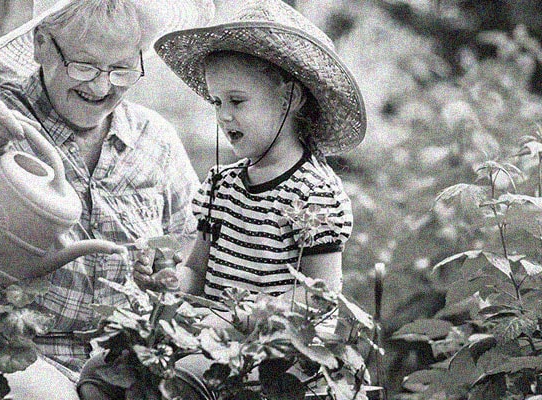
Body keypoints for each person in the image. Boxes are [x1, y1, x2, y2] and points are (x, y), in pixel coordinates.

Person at [0, 0, 214, 398]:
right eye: (84, 66)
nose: (101, 87)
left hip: (117, 367)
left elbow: (191, 253)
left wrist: (166, 271)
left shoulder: (155, 139)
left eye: (121, 69)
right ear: (42, 44)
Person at [77, 0, 367, 398]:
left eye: (237, 101)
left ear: (289, 99)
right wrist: (167, 279)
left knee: (180, 383)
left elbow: (320, 296)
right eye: (216, 102)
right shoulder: (222, 185)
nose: (223, 116)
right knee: (101, 371)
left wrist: (241, 318)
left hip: (275, 355)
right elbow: (198, 272)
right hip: (210, 339)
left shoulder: (315, 192)